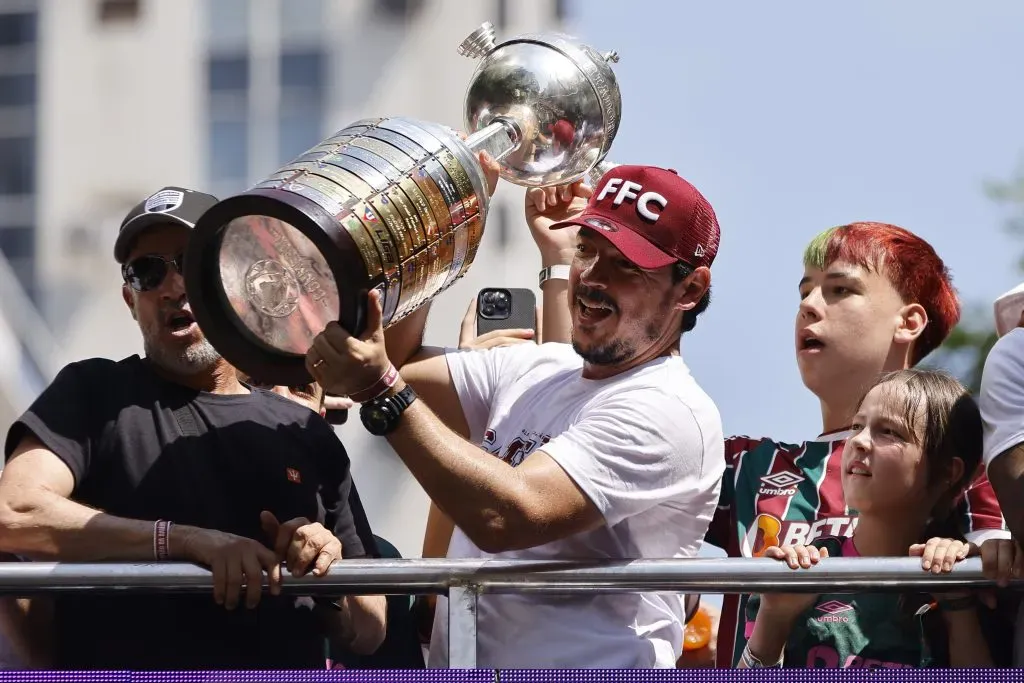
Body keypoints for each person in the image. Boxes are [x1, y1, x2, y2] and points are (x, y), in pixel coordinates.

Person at [528, 202, 1012, 666]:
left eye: (840, 290)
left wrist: (972, 556)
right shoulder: (747, 464)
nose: (810, 306)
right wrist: (560, 263)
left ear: (909, 321)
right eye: (804, 291)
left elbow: (999, 581)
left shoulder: (966, 460)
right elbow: (582, 432)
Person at [306, 160, 726, 668]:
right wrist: (453, 225)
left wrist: (383, 393)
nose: (592, 278)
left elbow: (506, 516)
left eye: (626, 267)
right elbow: (398, 357)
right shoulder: (543, 367)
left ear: (690, 290)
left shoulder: (669, 409)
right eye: (588, 251)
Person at [0, 186, 386, 670]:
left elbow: (371, 627)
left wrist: (323, 573)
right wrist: (182, 541)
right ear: (129, 299)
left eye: (189, 261)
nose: (172, 286)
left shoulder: (301, 427)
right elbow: (13, 513)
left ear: (235, 280)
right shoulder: (94, 390)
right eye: (147, 272)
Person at [741, 370, 995, 669]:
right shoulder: (802, 571)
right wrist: (775, 618)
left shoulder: (971, 577)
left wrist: (958, 603)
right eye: (857, 426)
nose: (858, 441)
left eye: (889, 432)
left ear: (949, 472)